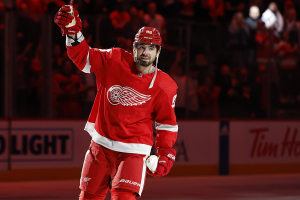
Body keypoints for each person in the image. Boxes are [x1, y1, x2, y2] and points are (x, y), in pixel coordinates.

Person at [54, 5, 178, 200]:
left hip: (133, 153)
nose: (145, 52)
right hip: (100, 147)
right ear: (134, 47)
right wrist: (73, 31)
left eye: (151, 48)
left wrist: (165, 153)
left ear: (158, 52)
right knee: (88, 197)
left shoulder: (165, 86)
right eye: (141, 47)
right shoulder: (114, 59)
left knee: (124, 198)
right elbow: (83, 57)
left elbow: (166, 124)